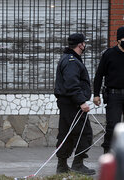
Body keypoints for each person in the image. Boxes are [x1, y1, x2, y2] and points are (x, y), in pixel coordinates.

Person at [54, 33, 95, 175]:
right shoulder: (72, 61)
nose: (85, 45)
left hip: (68, 103)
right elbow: (72, 84)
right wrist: (81, 101)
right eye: (84, 43)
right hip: (73, 104)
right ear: (80, 45)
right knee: (85, 133)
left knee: (67, 133)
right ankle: (77, 164)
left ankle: (62, 166)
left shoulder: (69, 58)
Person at [93, 26, 124, 154]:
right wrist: (96, 94)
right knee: (112, 126)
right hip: (114, 95)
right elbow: (99, 75)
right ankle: (108, 154)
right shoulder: (109, 54)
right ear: (118, 40)